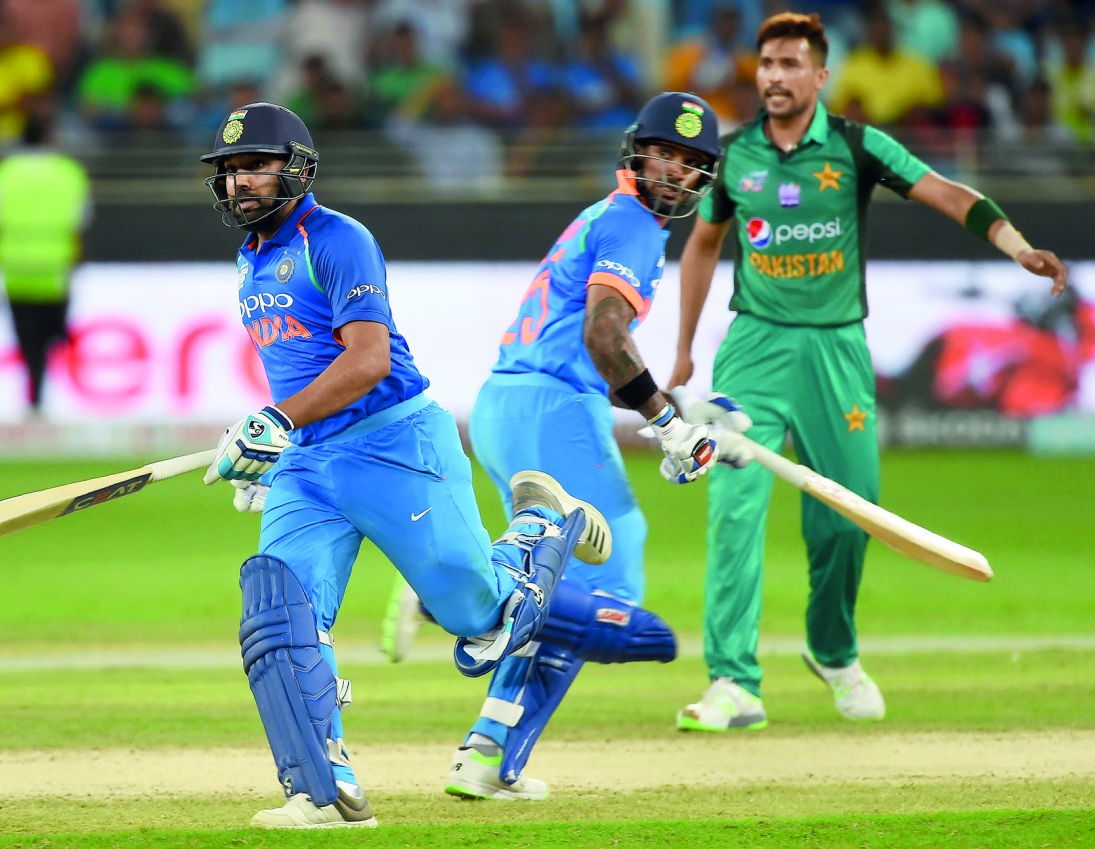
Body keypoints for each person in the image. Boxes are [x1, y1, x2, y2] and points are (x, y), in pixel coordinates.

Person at [197, 101, 613, 829]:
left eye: (255, 166)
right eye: (230, 171)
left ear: (295, 169)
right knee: (279, 612)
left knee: (484, 624)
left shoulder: (338, 239)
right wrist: (275, 451)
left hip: (396, 443)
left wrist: (277, 419)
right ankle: (322, 787)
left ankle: (543, 527)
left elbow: (369, 358)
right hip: (310, 464)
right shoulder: (250, 258)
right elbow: (296, 367)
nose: (240, 183)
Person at [671, 11, 1069, 732]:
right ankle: (733, 679)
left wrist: (1018, 246)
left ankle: (832, 649)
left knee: (849, 517)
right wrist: (683, 351)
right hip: (755, 348)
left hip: (836, 348)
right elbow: (703, 244)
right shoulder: (734, 158)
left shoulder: (857, 147)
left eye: (792, 65)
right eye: (767, 65)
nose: (776, 77)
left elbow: (948, 193)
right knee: (735, 507)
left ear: (821, 77)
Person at [385, 91, 750, 800]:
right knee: (611, 581)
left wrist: (677, 412)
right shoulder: (634, 227)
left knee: (560, 578)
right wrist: (669, 429)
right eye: (664, 155)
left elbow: (605, 358)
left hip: (509, 407)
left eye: (691, 162)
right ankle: (459, 619)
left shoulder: (609, 217)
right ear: (636, 153)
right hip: (549, 408)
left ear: (705, 177)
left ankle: (485, 727)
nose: (674, 172)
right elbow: (603, 339)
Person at [0, 108, 92, 415]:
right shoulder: (69, 172)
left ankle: (35, 398)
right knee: (49, 335)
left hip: (15, 270)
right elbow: (78, 226)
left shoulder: (3, 174)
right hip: (54, 269)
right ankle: (55, 348)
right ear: (50, 139)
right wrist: (75, 268)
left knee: (27, 341)